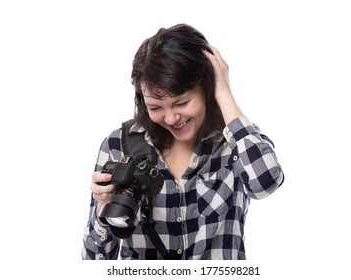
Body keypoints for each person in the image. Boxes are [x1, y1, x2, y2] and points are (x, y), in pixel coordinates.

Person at [82, 23, 284, 260]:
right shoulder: (119, 144)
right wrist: (101, 213)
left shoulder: (236, 141)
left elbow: (266, 182)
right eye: (155, 107)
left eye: (181, 103)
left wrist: (223, 92)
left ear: (206, 88)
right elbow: (94, 262)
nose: (171, 118)